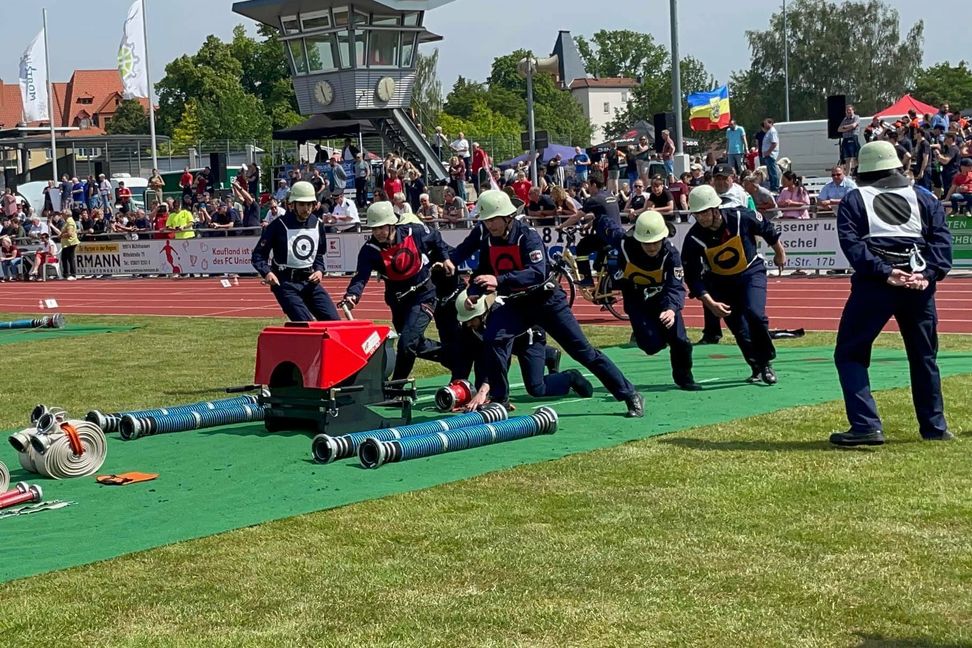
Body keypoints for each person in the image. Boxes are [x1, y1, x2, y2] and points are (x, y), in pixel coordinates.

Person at [442, 190, 644, 416]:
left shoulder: (527, 236)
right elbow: (485, 271)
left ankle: (630, 394)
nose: (489, 225)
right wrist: (474, 293)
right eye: (485, 220)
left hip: (547, 302)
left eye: (492, 220)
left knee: (583, 352)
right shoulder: (488, 239)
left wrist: (497, 281)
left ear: (507, 216)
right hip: (518, 304)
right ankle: (500, 399)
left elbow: (536, 273)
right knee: (493, 338)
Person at [831, 141, 953, 446]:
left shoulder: (854, 199)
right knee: (924, 357)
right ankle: (934, 427)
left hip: (876, 285)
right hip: (918, 287)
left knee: (850, 353)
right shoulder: (924, 197)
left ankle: (866, 426)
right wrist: (926, 275)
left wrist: (887, 272)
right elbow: (941, 245)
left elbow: (853, 246)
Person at [681, 185, 786, 384]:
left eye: (704, 213)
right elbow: (693, 277)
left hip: (750, 271)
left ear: (715, 209)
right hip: (720, 283)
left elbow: (767, 230)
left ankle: (766, 359)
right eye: (697, 214)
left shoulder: (742, 217)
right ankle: (757, 367)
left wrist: (780, 253)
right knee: (739, 329)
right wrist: (710, 303)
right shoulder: (693, 238)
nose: (701, 218)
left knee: (755, 313)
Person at [342, 201, 450, 381]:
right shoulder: (369, 251)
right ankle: (456, 358)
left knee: (407, 343)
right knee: (413, 343)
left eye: (381, 228)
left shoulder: (414, 232)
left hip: (423, 295)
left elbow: (436, 238)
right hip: (398, 302)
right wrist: (353, 294)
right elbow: (361, 276)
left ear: (392, 224)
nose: (377, 232)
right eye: (374, 228)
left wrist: (445, 259)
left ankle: (396, 387)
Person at [606, 210, 701, 390]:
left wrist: (672, 309)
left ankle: (684, 378)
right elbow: (606, 227)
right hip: (636, 301)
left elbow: (676, 285)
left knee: (680, 341)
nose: (651, 247)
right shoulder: (623, 244)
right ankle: (650, 335)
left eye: (656, 242)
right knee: (650, 346)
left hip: (664, 300)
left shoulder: (671, 254)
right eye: (647, 243)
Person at [453, 289, 592, 411]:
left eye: (471, 319)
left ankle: (571, 377)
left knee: (536, 388)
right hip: (512, 341)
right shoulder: (472, 324)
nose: (468, 324)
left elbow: (502, 359)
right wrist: (461, 392)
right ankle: (549, 354)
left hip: (530, 339)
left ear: (481, 312)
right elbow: (477, 354)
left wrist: (487, 392)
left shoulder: (499, 316)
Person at [251, 180, 340, 322]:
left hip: (310, 281)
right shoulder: (277, 225)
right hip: (285, 283)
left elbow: (318, 254)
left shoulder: (317, 224)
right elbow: (258, 255)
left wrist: (319, 270)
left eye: (309, 204)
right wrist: (267, 272)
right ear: (293, 204)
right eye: (302, 204)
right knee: (306, 324)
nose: (307, 208)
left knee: (334, 321)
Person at [557, 176, 622, 287]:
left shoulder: (594, 199)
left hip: (606, 236)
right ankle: (604, 293)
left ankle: (587, 279)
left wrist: (561, 226)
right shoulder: (610, 196)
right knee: (599, 265)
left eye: (588, 185)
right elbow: (604, 215)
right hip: (616, 235)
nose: (587, 188)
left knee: (582, 247)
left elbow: (577, 216)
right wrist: (589, 225)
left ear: (594, 185)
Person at [59, 211, 80, 280]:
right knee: (64, 258)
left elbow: (70, 233)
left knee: (70, 258)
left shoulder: (70, 222)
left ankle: (73, 274)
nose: (61, 215)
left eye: (63, 213)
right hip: (66, 243)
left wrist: (61, 235)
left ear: (66, 214)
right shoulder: (67, 221)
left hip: (71, 242)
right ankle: (66, 274)